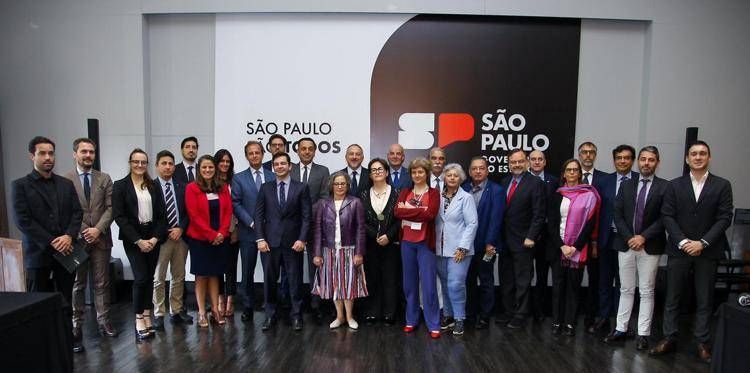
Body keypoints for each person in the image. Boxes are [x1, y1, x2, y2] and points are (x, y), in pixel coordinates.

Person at [649, 141, 733, 364]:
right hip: (680, 250)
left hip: (708, 251)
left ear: (709, 158)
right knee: (672, 298)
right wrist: (684, 241)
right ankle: (669, 338)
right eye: (694, 154)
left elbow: (725, 217)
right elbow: (667, 216)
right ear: (687, 159)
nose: (698, 157)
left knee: (705, 299)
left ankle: (702, 342)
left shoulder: (722, 185)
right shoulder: (674, 186)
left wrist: (703, 242)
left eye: (702, 153)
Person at [12, 136, 83, 353]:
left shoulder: (66, 184)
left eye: (51, 153)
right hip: (38, 253)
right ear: (32, 156)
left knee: (64, 299)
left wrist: (69, 236)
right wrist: (53, 241)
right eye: (42, 153)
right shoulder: (20, 186)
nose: (48, 158)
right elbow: (23, 221)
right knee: (38, 301)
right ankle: (40, 343)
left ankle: (65, 338)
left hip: (66, 251)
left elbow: (76, 213)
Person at [603, 146, 668, 350]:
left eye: (651, 160)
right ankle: (621, 328)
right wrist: (630, 237)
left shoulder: (665, 187)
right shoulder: (627, 185)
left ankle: (643, 334)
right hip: (626, 244)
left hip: (650, 246)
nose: (646, 163)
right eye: (643, 159)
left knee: (647, 291)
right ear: (638, 162)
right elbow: (617, 213)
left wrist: (643, 237)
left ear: (657, 162)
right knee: (625, 288)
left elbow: (665, 217)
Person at [63, 138, 117, 348]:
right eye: (84, 151)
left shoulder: (104, 178)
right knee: (78, 284)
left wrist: (97, 229)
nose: (88, 155)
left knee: (102, 283)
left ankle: (104, 321)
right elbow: (65, 210)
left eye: (91, 152)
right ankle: (77, 325)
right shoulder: (65, 179)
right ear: (74, 154)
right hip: (76, 240)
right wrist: (85, 230)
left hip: (101, 238)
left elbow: (111, 207)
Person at [112, 148, 167, 343]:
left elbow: (162, 216)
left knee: (149, 277)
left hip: (152, 237)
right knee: (141, 278)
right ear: (130, 162)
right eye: (136, 162)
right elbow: (119, 217)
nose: (140, 165)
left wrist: (154, 239)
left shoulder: (153, 186)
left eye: (143, 162)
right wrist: (138, 240)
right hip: (133, 238)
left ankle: (146, 314)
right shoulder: (120, 186)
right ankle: (138, 319)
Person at [255, 152, 312, 331]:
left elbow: (306, 217)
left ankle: (296, 316)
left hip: (293, 243)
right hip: (269, 243)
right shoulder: (265, 188)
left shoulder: (301, 187)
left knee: (295, 281)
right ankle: (270, 316)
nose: (279, 166)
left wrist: (302, 239)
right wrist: (260, 238)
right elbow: (258, 216)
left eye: (283, 163)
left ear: (290, 166)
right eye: (276, 164)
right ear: (273, 167)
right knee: (270, 281)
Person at [589, 144, 639, 335]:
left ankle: (622, 322)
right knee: (604, 281)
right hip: (606, 239)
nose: (622, 161)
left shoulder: (639, 181)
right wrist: (594, 240)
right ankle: (603, 318)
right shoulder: (604, 181)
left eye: (626, 158)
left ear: (632, 160)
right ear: (614, 160)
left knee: (624, 284)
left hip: (629, 241)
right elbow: (596, 213)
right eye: (619, 158)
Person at [547, 159, 600, 336]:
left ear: (579, 173)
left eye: (575, 170)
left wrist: (575, 247)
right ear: (564, 173)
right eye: (568, 170)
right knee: (558, 287)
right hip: (559, 248)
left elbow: (590, 224)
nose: (571, 173)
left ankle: (570, 323)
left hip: (577, 250)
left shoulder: (589, 195)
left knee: (573, 287)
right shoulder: (557, 194)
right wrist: (562, 246)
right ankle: (556, 322)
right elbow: (552, 224)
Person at [312, 171, 368, 330]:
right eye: (336, 183)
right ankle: (339, 317)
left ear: (348, 185)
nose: (340, 186)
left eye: (343, 183)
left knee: (348, 285)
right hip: (328, 250)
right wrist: (316, 253)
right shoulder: (323, 204)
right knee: (334, 284)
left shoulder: (355, 202)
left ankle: (350, 317)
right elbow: (317, 230)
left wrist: (359, 252)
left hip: (349, 250)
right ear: (331, 185)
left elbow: (360, 229)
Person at [498, 149, 546, 329]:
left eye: (519, 161)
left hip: (524, 241)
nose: (516, 165)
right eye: (513, 162)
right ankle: (509, 311)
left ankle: (521, 313)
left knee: (523, 279)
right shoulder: (504, 182)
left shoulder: (535, 183)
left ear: (526, 162)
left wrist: (531, 236)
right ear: (509, 164)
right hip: (505, 240)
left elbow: (539, 214)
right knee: (507, 278)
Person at [394, 157, 441, 338]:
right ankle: (411, 320)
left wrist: (410, 210)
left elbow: (430, 214)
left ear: (427, 173)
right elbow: (398, 212)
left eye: (421, 171)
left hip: (425, 244)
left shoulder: (434, 193)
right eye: (414, 172)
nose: (417, 175)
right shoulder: (405, 191)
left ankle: (433, 323)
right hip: (407, 243)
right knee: (409, 284)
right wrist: (419, 210)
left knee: (429, 285)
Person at [184, 155, 232, 328]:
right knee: (202, 275)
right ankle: (202, 312)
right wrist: (211, 235)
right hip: (200, 239)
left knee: (215, 274)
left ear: (215, 168)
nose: (208, 170)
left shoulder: (223, 187)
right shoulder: (192, 188)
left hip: (220, 239)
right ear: (199, 169)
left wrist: (222, 233)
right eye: (204, 167)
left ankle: (215, 310)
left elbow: (228, 212)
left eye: (211, 167)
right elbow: (194, 215)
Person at [232, 140, 275, 322]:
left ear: (263, 154)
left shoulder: (273, 176)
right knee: (247, 273)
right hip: (248, 233)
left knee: (269, 272)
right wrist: (251, 222)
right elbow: (236, 203)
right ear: (247, 156)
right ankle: (247, 306)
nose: (255, 156)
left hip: (269, 234)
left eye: (257, 152)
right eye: (251, 153)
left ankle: (269, 307)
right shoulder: (239, 178)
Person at [291, 137, 331, 323]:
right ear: (297, 151)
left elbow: (323, 198)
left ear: (315, 151)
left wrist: (307, 214)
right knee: (293, 268)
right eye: (303, 149)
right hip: (292, 227)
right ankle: (295, 306)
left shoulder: (323, 171)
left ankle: (316, 305)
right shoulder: (289, 169)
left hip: (315, 225)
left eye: (310, 149)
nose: (306, 152)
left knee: (315, 267)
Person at [151, 150, 193, 329]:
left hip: (180, 238)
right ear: (157, 165)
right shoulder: (150, 187)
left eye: (170, 164)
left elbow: (188, 212)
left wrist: (181, 228)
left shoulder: (182, 186)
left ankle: (176, 311)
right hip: (161, 239)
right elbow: (150, 216)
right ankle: (159, 313)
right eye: (164, 163)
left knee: (179, 276)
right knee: (159, 277)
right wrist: (166, 231)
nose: (168, 167)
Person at [435, 163, 478, 336]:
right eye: (449, 175)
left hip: (459, 250)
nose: (452, 178)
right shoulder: (436, 196)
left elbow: (472, 224)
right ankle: (448, 315)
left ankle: (460, 318)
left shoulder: (466, 197)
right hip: (439, 249)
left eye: (456, 175)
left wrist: (463, 247)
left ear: (461, 179)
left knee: (455, 284)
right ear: (444, 177)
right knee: (445, 284)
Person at [462, 156, 504, 329]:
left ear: (487, 170)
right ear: (470, 172)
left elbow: (496, 219)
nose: (478, 171)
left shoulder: (497, 190)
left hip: (487, 247)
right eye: (474, 168)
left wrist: (491, 243)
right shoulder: (463, 188)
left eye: (481, 168)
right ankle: (470, 314)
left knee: (486, 280)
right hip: (466, 247)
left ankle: (485, 316)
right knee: (468, 281)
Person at [361, 158, 401, 326]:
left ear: (386, 172)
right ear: (370, 175)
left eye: (380, 169)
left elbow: (400, 219)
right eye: (373, 170)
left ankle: (389, 313)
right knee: (372, 277)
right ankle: (372, 311)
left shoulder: (398, 193)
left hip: (391, 244)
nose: (377, 172)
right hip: (371, 244)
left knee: (390, 278)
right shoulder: (363, 194)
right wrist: (376, 235)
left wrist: (389, 236)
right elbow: (360, 220)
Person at [577, 141, 607, 328]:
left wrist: (596, 240)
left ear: (595, 155)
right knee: (574, 280)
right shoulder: (572, 178)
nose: (588, 155)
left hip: (596, 239)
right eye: (584, 152)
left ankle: (592, 317)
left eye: (591, 152)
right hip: (574, 241)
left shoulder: (605, 179)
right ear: (579, 155)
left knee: (596, 280)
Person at [528, 150, 558, 322]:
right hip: (527, 235)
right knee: (526, 274)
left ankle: (540, 312)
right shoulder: (523, 180)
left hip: (548, 236)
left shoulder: (553, 182)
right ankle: (525, 309)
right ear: (528, 162)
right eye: (533, 159)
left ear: (545, 162)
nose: (537, 162)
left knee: (542, 274)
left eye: (540, 159)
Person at [214, 149, 239, 318]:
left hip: (233, 230)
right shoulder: (210, 182)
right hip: (215, 232)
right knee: (217, 268)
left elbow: (237, 206)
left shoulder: (235, 181)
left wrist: (235, 229)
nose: (224, 164)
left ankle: (230, 300)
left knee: (231, 267)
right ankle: (219, 300)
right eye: (222, 161)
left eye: (227, 161)